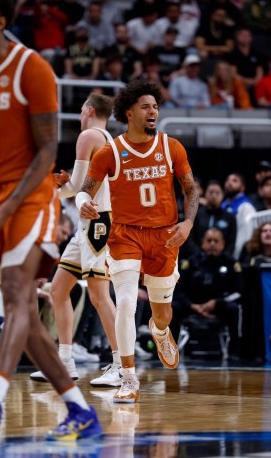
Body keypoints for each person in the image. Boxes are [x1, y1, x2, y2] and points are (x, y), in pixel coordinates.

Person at [0, 0, 101, 440]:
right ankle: (80, 411)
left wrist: (9, 205)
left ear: (1, 20)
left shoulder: (32, 69)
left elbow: (48, 148)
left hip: (31, 194)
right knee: (25, 319)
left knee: (15, 291)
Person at [77, 80, 200, 403]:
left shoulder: (171, 147)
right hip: (125, 234)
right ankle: (128, 377)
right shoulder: (110, 152)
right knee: (127, 302)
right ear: (129, 112)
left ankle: (160, 332)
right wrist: (81, 204)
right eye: (146, 107)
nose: (153, 112)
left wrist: (188, 223)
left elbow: (191, 189)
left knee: (162, 313)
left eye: (156, 107)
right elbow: (84, 189)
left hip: (165, 236)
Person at [30, 92, 122, 387]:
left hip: (98, 222)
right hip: (88, 223)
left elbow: (77, 188)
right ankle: (65, 361)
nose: (80, 114)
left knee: (98, 296)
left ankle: (122, 364)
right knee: (58, 290)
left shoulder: (89, 136)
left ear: (89, 110)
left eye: (82, 109)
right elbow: (77, 185)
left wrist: (46, 189)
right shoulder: (107, 136)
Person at [172, 228, 243, 356]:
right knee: (173, 307)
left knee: (234, 308)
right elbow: (178, 290)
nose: (212, 244)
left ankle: (235, 350)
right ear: (202, 243)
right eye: (209, 240)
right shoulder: (190, 262)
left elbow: (238, 292)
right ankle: (169, 350)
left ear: (223, 244)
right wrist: (191, 305)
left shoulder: (231, 263)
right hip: (193, 305)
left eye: (216, 241)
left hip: (218, 306)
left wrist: (217, 302)